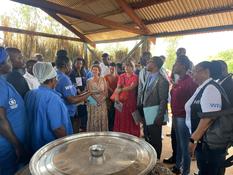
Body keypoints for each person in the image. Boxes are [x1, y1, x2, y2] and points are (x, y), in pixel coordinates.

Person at [186, 61, 228, 175]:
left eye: (195, 71)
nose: (192, 74)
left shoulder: (210, 88)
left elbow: (209, 118)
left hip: (210, 144)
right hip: (205, 142)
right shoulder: (203, 87)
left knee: (208, 171)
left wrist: (193, 139)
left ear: (206, 72)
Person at [25, 62, 73, 153]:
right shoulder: (53, 98)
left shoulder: (30, 94)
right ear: (52, 80)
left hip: (35, 144)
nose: (57, 80)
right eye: (56, 78)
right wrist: (67, 146)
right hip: (50, 147)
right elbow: (58, 128)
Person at [0, 47, 28, 175]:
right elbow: (1, 120)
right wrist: (17, 146)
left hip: (11, 145)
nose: (10, 62)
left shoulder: (4, 82)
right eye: (8, 60)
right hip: (7, 148)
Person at [170, 55, 197, 175]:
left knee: (185, 146)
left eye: (176, 63)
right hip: (175, 115)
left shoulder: (190, 81)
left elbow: (194, 102)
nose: (174, 66)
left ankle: (185, 171)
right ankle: (177, 166)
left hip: (183, 117)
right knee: (179, 143)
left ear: (183, 66)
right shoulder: (179, 80)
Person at [140, 56, 169, 160]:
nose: (147, 62)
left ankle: (156, 162)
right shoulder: (149, 76)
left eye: (150, 61)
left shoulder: (162, 80)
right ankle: (150, 159)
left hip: (155, 114)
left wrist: (159, 116)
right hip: (146, 112)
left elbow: (163, 100)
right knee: (147, 137)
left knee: (155, 139)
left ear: (156, 65)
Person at [55, 53, 90, 122]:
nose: (71, 68)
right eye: (70, 65)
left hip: (60, 111)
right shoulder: (64, 79)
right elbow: (72, 100)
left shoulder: (56, 74)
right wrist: (89, 94)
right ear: (66, 66)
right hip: (67, 112)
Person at [113, 61, 140, 137]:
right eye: (125, 66)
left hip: (131, 101)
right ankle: (121, 134)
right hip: (121, 100)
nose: (126, 68)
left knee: (132, 118)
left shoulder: (135, 77)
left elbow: (131, 87)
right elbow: (118, 86)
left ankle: (132, 134)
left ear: (133, 67)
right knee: (121, 118)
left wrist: (121, 89)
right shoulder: (121, 76)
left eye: (128, 66)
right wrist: (117, 96)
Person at [87, 64, 108, 131]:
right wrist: (97, 100)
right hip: (93, 102)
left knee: (102, 117)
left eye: (96, 70)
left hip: (102, 101)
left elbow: (106, 91)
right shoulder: (89, 81)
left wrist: (101, 99)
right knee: (94, 118)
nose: (94, 71)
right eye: (93, 70)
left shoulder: (103, 79)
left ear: (99, 71)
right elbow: (89, 92)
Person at [69, 57, 88, 132]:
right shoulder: (72, 73)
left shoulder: (83, 72)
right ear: (74, 64)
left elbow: (84, 82)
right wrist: (80, 92)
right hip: (76, 96)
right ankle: (76, 129)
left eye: (80, 63)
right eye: (77, 63)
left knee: (83, 112)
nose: (79, 65)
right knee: (77, 114)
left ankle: (82, 127)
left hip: (83, 94)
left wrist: (85, 91)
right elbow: (73, 84)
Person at [104, 62, 118, 131]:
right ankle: (109, 128)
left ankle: (115, 127)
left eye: (113, 69)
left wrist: (116, 93)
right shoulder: (106, 76)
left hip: (116, 98)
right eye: (110, 69)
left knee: (115, 113)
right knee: (109, 113)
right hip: (109, 98)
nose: (111, 70)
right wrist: (113, 92)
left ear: (115, 69)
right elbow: (107, 86)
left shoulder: (118, 77)